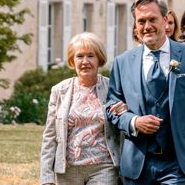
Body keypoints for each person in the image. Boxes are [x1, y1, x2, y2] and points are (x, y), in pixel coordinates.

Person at [106, 0, 185, 185]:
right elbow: (112, 107)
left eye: (152, 19)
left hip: (176, 162)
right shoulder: (123, 62)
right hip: (138, 162)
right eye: (141, 21)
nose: (147, 26)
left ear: (166, 19)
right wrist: (134, 121)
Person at [40, 32, 125, 185]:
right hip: (68, 169)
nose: (85, 61)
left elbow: (122, 127)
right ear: (72, 61)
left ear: (99, 59)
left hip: (103, 166)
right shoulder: (60, 91)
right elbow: (50, 136)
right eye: (79, 56)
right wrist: (46, 178)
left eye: (90, 56)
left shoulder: (112, 88)